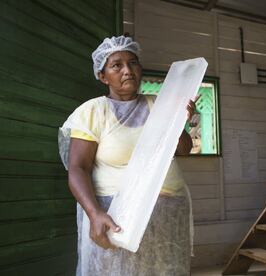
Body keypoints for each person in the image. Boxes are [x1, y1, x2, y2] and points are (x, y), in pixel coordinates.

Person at [58, 36, 194, 275]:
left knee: (165, 270)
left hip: (169, 214)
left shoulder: (158, 105)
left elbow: (183, 150)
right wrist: (94, 213)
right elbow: (78, 167)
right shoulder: (93, 111)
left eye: (133, 63)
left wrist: (178, 120)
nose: (127, 70)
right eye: (116, 65)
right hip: (118, 217)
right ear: (103, 76)